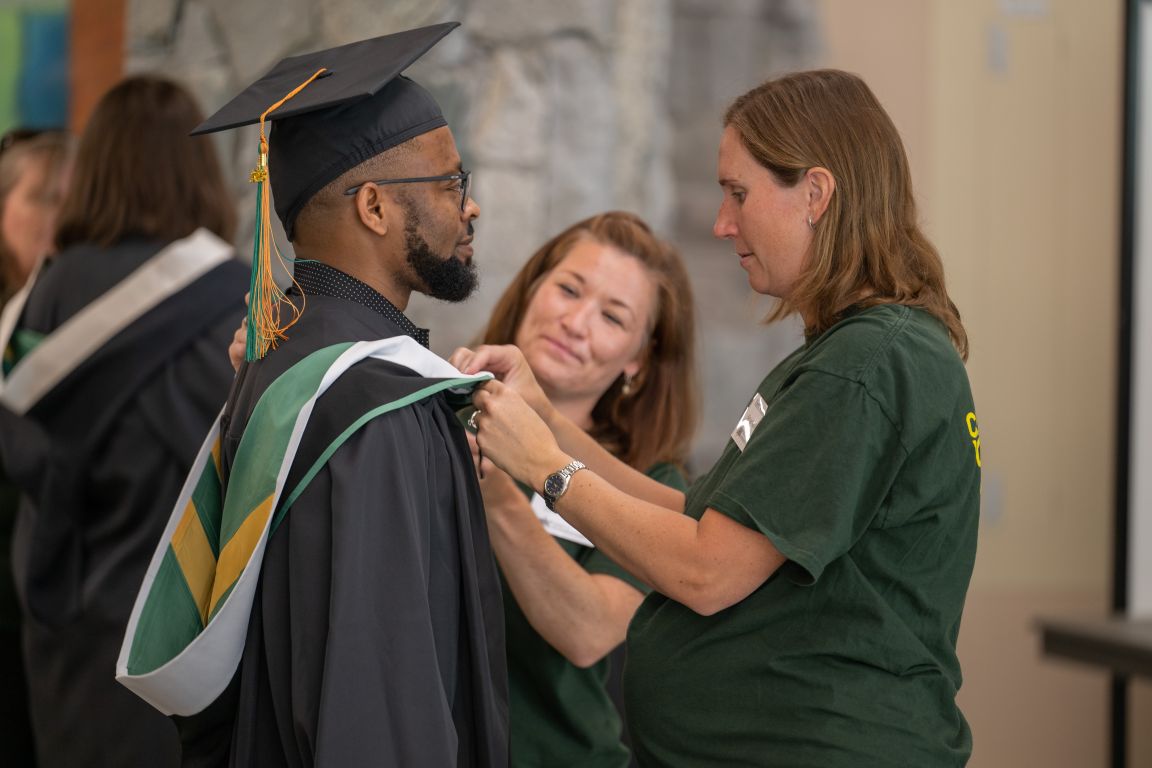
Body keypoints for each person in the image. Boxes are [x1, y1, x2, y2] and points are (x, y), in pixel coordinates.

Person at [455, 68, 981, 766]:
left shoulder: (864, 363)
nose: (721, 221)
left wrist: (542, 469)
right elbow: (701, 520)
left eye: (739, 193)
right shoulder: (860, 350)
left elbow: (706, 571)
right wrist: (547, 422)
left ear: (816, 194)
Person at [121, 24, 508, 766]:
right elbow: (381, 698)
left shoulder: (281, 356)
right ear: (373, 207)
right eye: (451, 182)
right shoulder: (369, 410)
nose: (471, 207)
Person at [229, 210, 698, 766]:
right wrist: (275, 384)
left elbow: (586, 630)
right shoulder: (423, 401)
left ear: (638, 363)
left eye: (613, 318)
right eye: (568, 289)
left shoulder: (652, 484)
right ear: (531, 290)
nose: (576, 322)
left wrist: (501, 496)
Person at [0, 76, 247, 768]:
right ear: (199, 170)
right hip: (187, 635)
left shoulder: (46, 292)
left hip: (70, 622)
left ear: (94, 169)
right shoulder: (232, 295)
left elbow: (23, 448)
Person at [0, 127, 71, 768]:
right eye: (44, 197)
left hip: (51, 610)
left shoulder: (79, 314)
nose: (60, 219)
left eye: (72, 200)